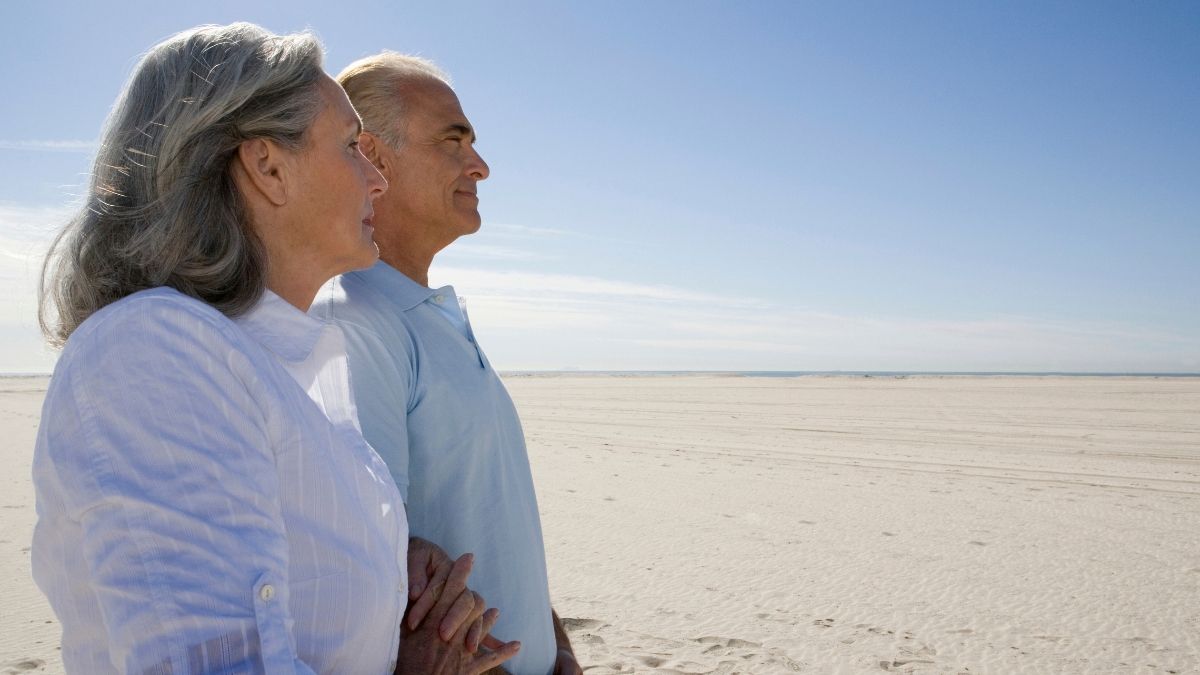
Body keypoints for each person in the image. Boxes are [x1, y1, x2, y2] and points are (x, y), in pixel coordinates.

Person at [32, 23, 518, 674]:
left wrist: (394, 563)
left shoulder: (295, 365)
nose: (377, 180)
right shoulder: (155, 352)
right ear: (267, 167)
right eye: (352, 147)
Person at [312, 53, 580, 675]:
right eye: (452, 141)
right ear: (372, 158)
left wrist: (558, 647)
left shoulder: (427, 315)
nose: (480, 165)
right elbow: (375, 582)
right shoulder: (356, 323)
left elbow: (495, 524)